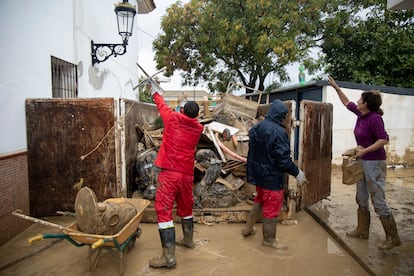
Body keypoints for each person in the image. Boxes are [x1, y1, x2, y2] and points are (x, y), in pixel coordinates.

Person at [328, 76, 401, 250]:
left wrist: (364, 150)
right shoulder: (361, 113)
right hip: (363, 162)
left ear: (366, 103)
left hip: (375, 163)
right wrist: (336, 87)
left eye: (360, 99)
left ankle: (393, 237)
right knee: (361, 197)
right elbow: (346, 102)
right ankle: (362, 230)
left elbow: (383, 139)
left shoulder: (375, 118)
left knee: (378, 200)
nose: (357, 101)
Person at [146, 79, 204, 268]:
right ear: (197, 115)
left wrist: (155, 92)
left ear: (182, 111)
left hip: (170, 173)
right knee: (186, 209)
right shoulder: (198, 128)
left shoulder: (171, 119)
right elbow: (189, 118)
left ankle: (168, 257)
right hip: (187, 175)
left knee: (163, 212)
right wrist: (182, 107)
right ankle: (188, 240)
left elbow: (161, 104)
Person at [241, 99, 308, 250]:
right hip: (272, 177)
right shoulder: (279, 132)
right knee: (271, 207)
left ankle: (248, 229)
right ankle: (269, 240)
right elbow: (283, 160)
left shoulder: (258, 127)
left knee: (259, 200)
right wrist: (297, 173)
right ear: (282, 116)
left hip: (258, 174)